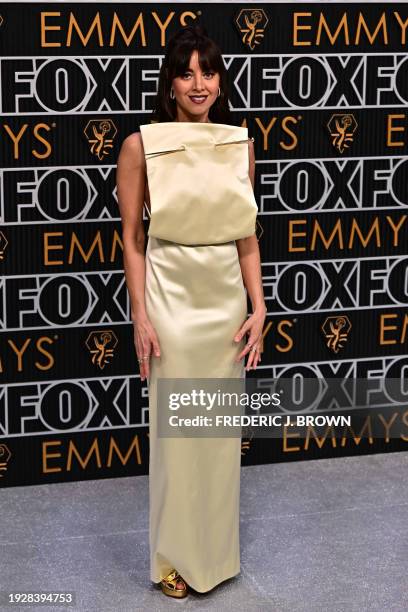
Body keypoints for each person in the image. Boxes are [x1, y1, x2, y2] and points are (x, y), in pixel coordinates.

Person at [116, 24, 266, 599]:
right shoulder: (142, 146)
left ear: (220, 79)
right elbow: (132, 238)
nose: (199, 83)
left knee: (218, 435)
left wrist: (259, 304)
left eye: (208, 70)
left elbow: (245, 234)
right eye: (187, 72)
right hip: (172, 301)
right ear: (171, 83)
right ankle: (173, 561)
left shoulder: (239, 143)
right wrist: (141, 314)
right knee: (177, 435)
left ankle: (214, 556)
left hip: (226, 304)